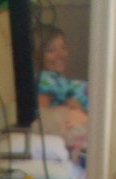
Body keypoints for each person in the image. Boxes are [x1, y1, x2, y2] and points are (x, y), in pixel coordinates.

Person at [34, 24, 88, 163]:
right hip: (68, 132)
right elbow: (41, 115)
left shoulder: (59, 80)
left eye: (63, 48)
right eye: (51, 50)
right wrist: (73, 112)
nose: (60, 54)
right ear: (37, 55)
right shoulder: (44, 80)